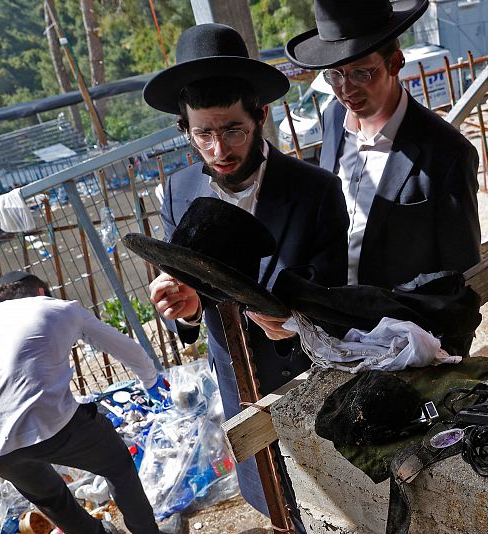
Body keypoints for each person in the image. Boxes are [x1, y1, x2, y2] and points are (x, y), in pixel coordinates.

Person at [142, 23, 348, 528]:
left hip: (311, 374)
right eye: (203, 134)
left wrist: (297, 320)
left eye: (232, 129)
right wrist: (183, 310)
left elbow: (334, 291)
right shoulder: (178, 191)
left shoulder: (315, 189)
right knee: (274, 501)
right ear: (185, 130)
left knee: (336, 499)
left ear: (260, 116)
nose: (218, 149)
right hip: (238, 382)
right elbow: (188, 293)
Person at [0, 271, 165, 534]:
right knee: (117, 464)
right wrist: (151, 379)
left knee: (51, 498)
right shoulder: (62, 309)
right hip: (54, 426)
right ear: (41, 292)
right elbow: (123, 346)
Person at [286, 0, 482, 307]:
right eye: (334, 75)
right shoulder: (333, 119)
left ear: (395, 63)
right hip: (334, 323)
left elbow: (459, 281)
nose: (346, 90)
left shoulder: (448, 155)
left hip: (405, 336)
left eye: (361, 74)